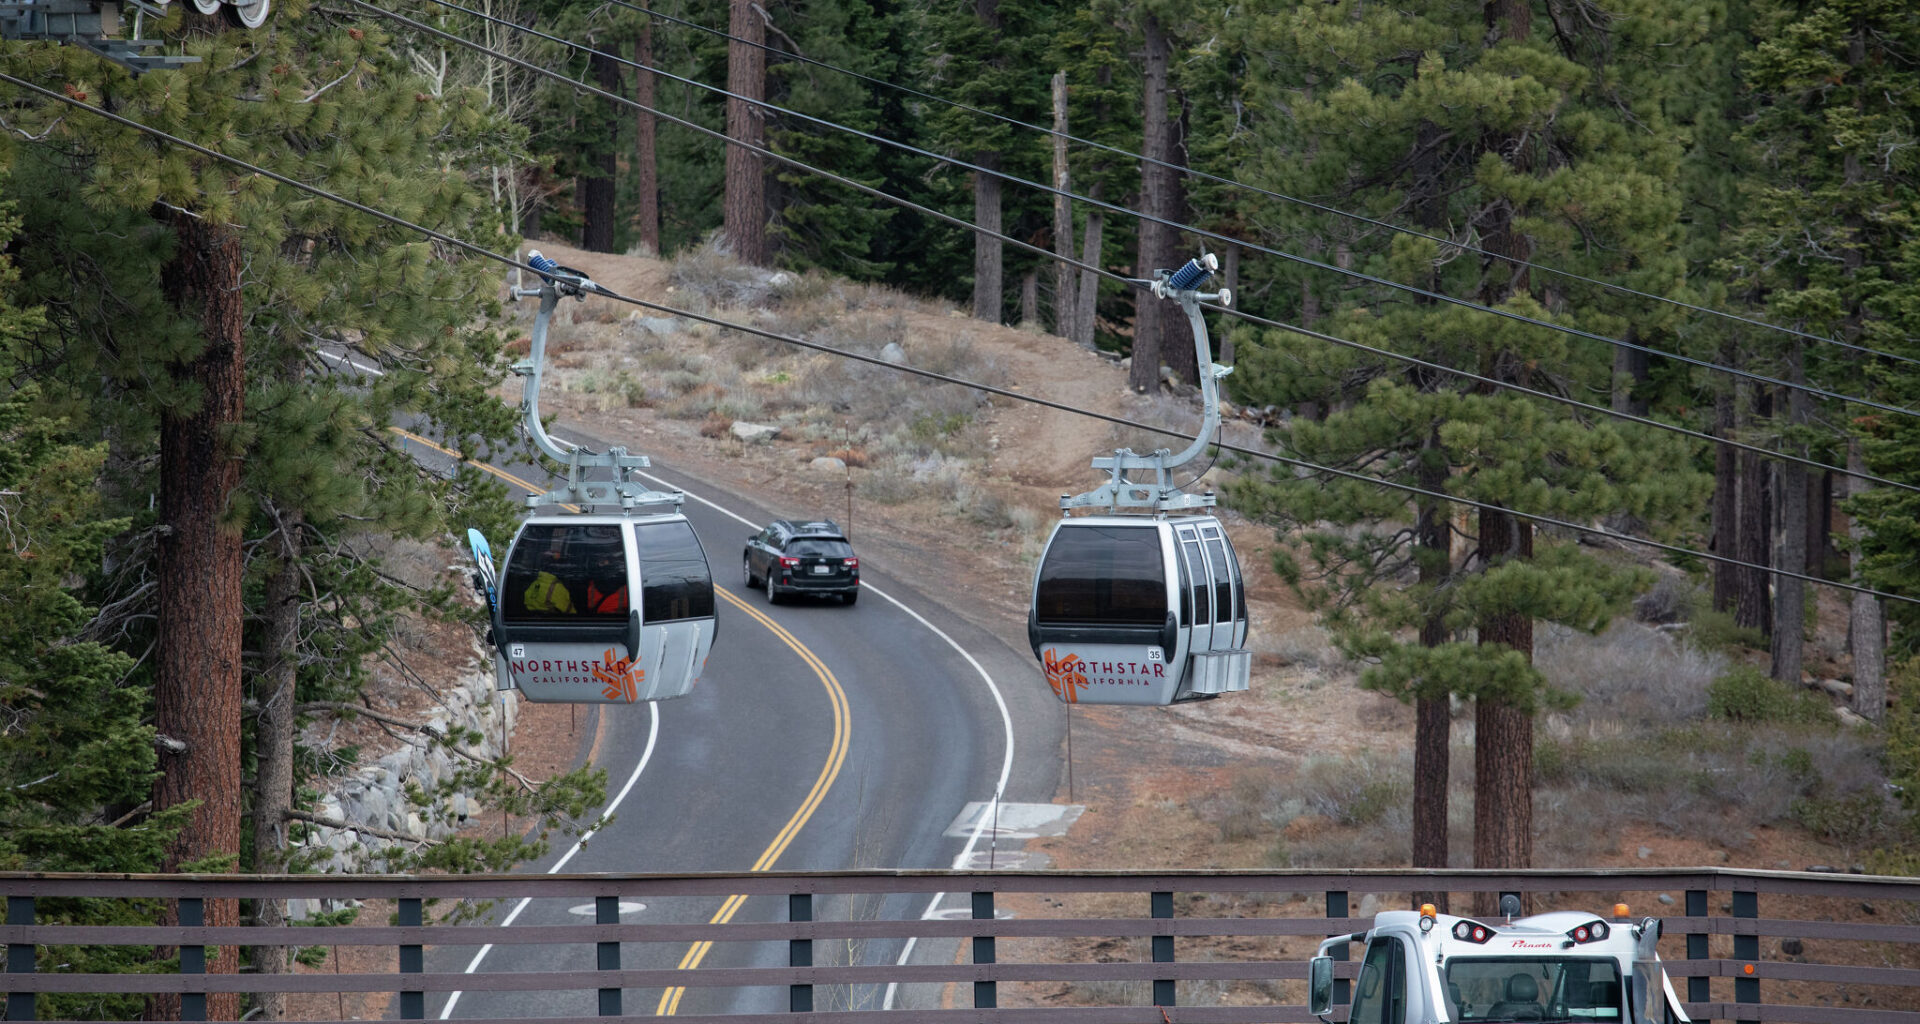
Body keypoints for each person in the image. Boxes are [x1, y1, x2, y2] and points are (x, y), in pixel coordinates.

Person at [585, 545, 628, 614]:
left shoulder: (628, 585)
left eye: (603, 561)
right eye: (598, 561)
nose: (600, 564)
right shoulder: (587, 584)